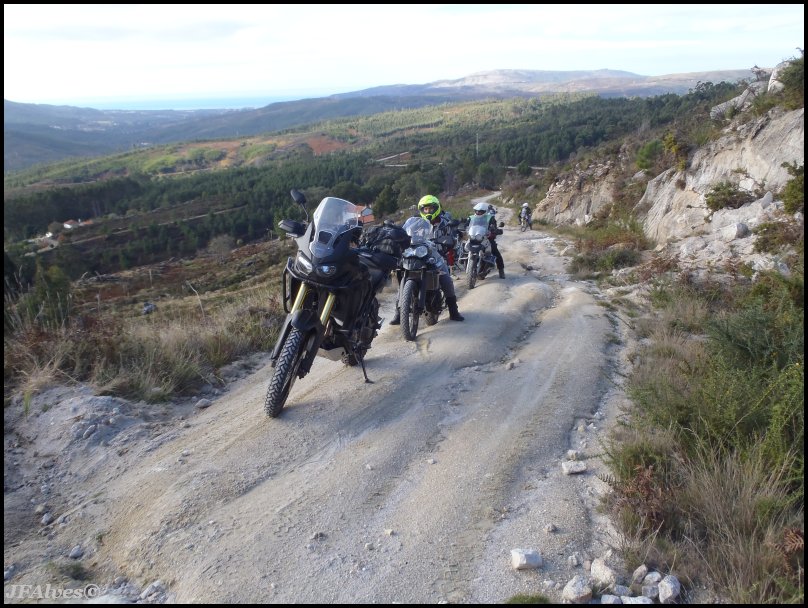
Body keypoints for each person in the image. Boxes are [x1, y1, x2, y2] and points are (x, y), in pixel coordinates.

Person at [390, 197, 465, 323]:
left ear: (436, 208)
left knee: (446, 279)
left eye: (431, 208)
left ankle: (453, 311)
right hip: (418, 253)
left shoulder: (445, 223)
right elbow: (406, 233)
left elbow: (453, 236)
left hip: (436, 255)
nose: (428, 211)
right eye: (425, 209)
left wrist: (450, 240)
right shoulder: (416, 221)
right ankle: (399, 313)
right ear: (421, 210)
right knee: (403, 276)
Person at [471, 202, 505, 279]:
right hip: (475, 238)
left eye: (480, 211)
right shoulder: (472, 217)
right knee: (464, 248)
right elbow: (467, 224)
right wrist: (462, 225)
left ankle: (501, 270)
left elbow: (494, 227)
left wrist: (494, 230)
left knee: (495, 252)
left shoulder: (490, 218)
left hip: (487, 238)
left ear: (484, 211)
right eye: (477, 211)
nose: (478, 212)